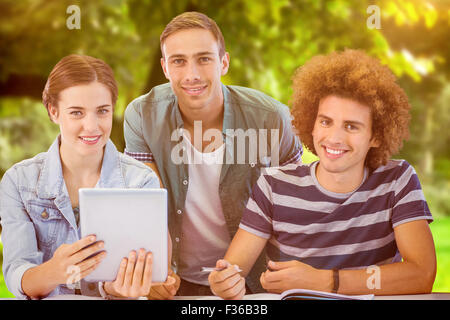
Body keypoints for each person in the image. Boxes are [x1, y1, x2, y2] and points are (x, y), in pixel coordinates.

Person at [208, 49, 437, 299]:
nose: (334, 138)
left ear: (376, 136)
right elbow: (233, 270)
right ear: (312, 124)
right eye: (325, 122)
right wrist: (224, 282)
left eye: (351, 126)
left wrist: (323, 281)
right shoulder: (274, 185)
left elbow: (422, 275)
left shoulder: (397, 180)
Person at [123, 11, 302, 295]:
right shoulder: (142, 115)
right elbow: (147, 204)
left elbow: (295, 209)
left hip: (255, 283)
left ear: (224, 62)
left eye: (204, 58)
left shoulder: (272, 118)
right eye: (178, 61)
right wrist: (157, 273)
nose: (192, 74)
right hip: (175, 280)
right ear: (165, 67)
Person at [0, 54, 176, 300]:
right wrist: (54, 271)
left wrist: (119, 290)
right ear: (53, 111)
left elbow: (149, 273)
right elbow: (17, 276)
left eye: (102, 111)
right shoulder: (19, 182)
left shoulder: (141, 181)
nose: (92, 126)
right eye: (76, 113)